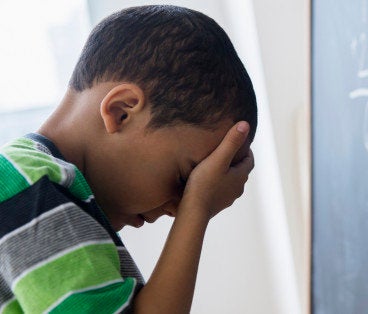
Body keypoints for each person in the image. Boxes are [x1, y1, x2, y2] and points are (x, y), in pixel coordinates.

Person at [0, 5, 256, 313]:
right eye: (183, 180)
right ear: (121, 112)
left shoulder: (38, 189)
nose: (178, 208)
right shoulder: (32, 188)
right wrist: (198, 207)